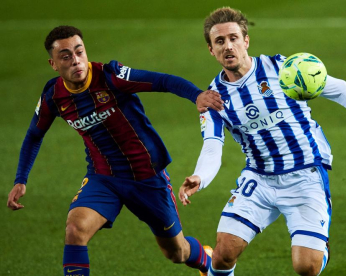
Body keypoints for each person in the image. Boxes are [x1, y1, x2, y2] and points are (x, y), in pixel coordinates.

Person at [178, 7, 346, 276]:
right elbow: (212, 146)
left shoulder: (282, 68)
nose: (228, 46)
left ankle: (319, 246)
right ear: (211, 50)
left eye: (233, 38)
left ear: (246, 41)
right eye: (219, 41)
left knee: (306, 267)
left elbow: (340, 89)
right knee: (221, 257)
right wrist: (200, 177)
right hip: (260, 178)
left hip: (305, 175)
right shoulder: (213, 99)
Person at [6, 25, 224, 276]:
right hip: (104, 177)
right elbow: (34, 134)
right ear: (53, 64)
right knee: (75, 230)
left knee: (177, 253)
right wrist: (21, 179)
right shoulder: (53, 96)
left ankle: (206, 259)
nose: (76, 60)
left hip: (146, 177)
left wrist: (196, 95)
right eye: (66, 56)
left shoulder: (112, 76)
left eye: (79, 52)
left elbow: (162, 80)